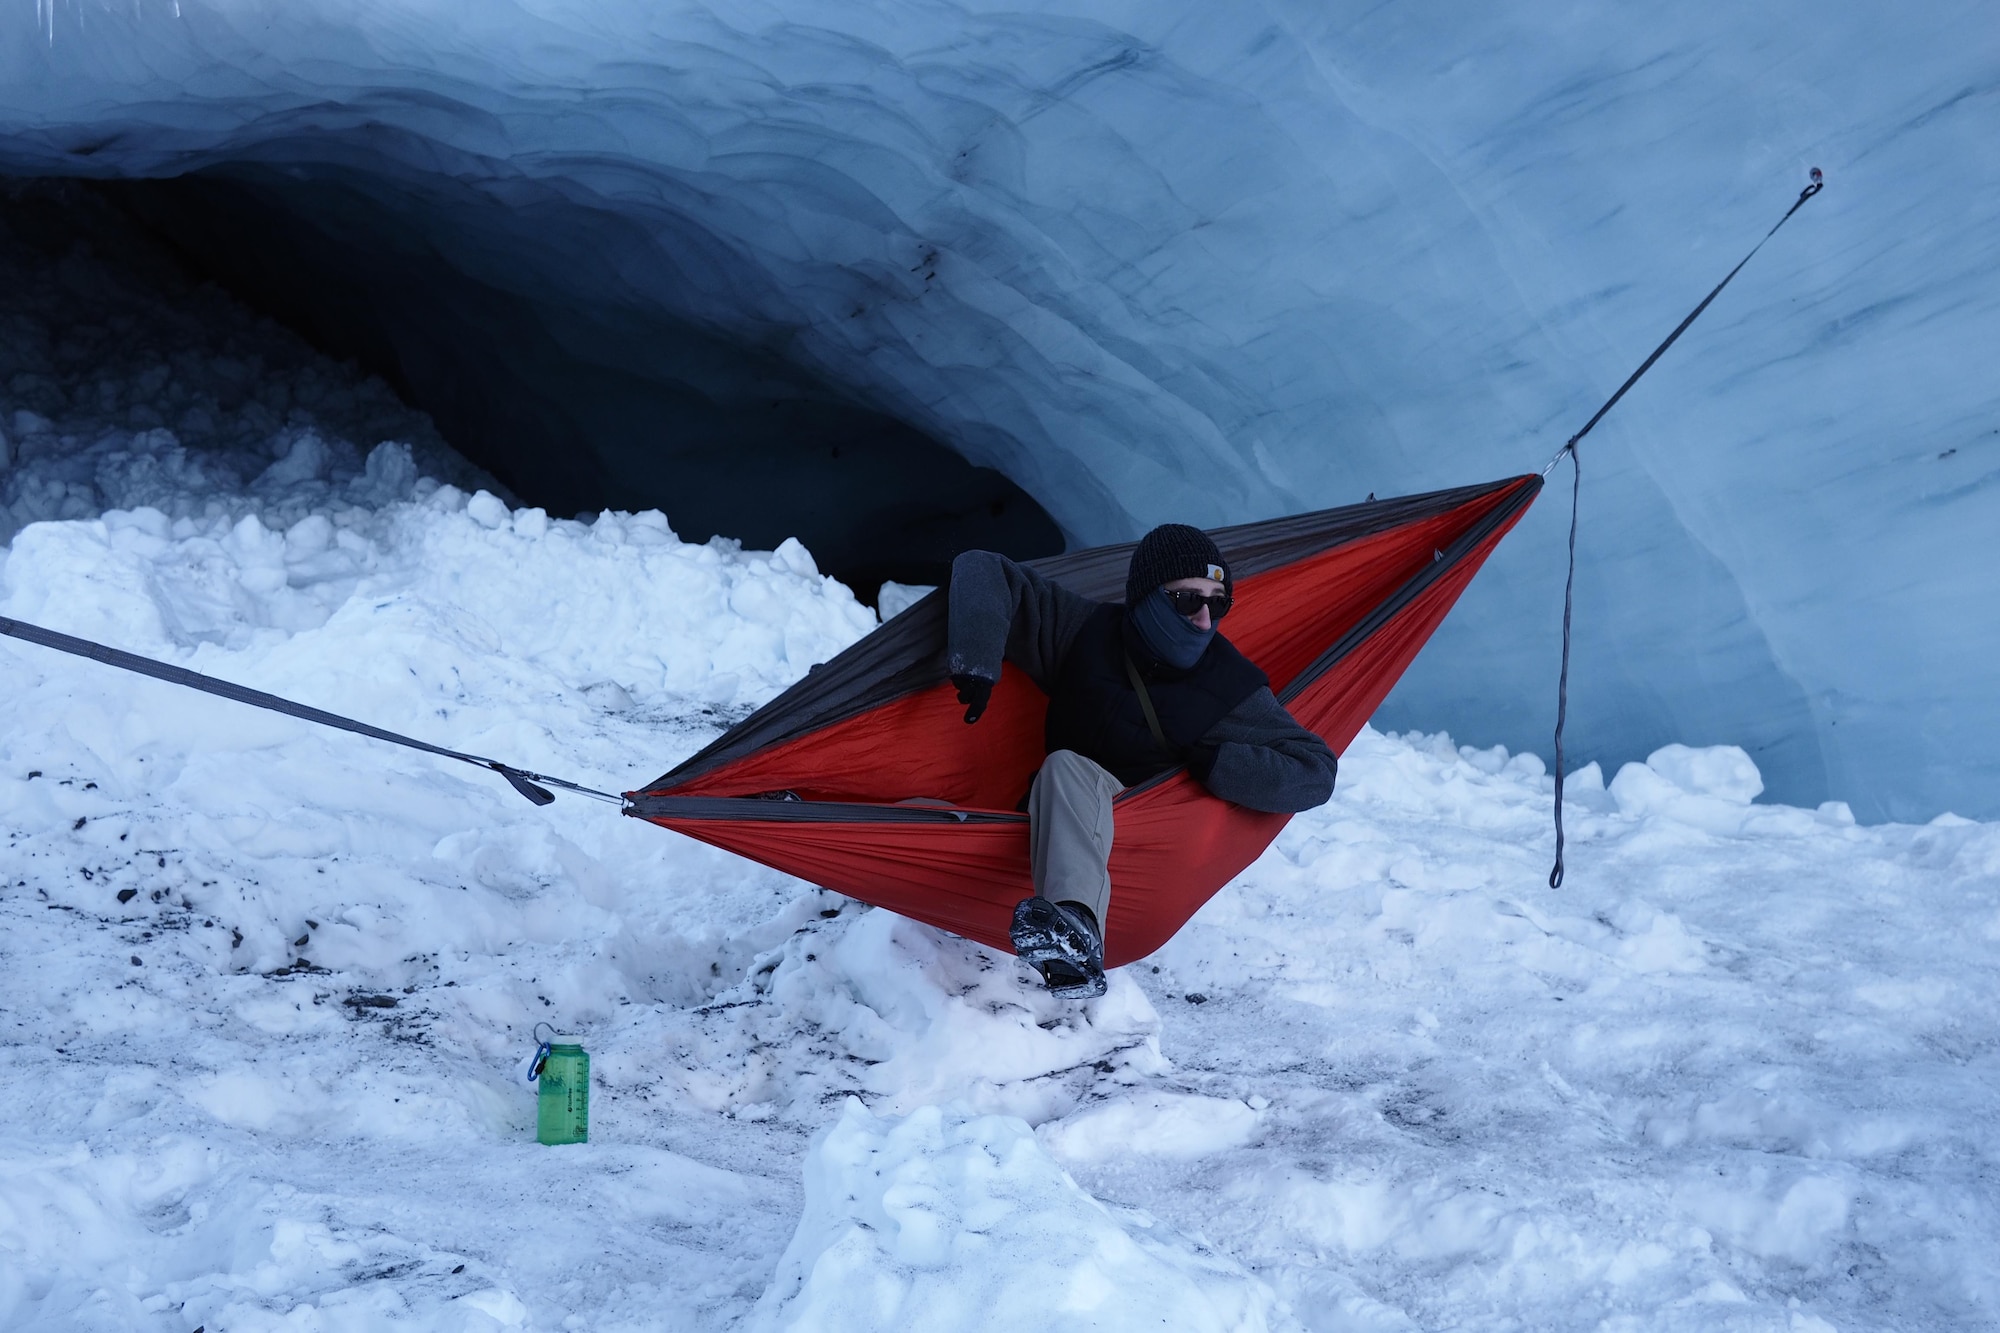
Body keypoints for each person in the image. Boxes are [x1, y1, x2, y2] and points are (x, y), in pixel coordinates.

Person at [946, 524, 1338, 999]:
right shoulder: (1084, 633)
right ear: (1146, 596)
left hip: (1145, 846)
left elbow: (1314, 772)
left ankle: (1077, 931)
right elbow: (984, 566)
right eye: (1187, 599)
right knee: (915, 814)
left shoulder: (1228, 691)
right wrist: (977, 658)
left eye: (1218, 603)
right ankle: (1066, 923)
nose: (1202, 620)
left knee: (1067, 766)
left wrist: (1217, 763)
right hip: (1047, 820)